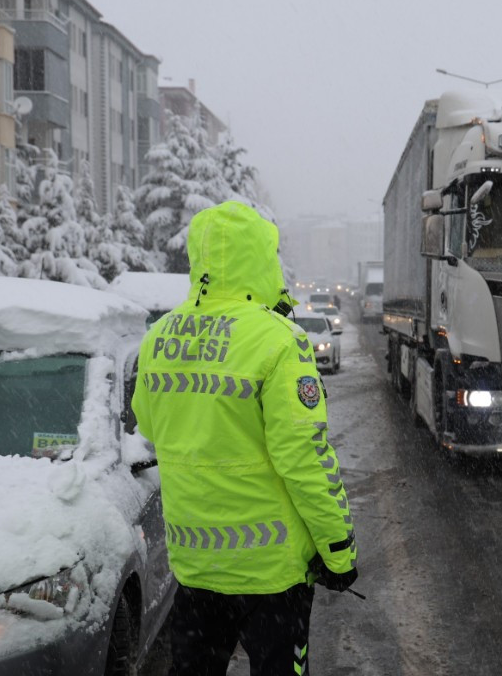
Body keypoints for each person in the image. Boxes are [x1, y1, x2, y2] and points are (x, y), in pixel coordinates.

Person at [132, 202, 357, 676]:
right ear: (261, 258)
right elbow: (305, 458)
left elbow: (151, 430)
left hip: (195, 568)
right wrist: (338, 551)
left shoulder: (157, 339)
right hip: (271, 575)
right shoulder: (278, 340)